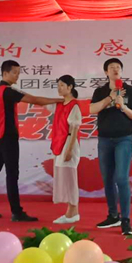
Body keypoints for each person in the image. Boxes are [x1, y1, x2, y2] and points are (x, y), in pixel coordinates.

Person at [0, 60, 62, 221]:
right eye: (14, 72)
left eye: (18, 72)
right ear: (5, 73)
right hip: (7, 139)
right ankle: (16, 212)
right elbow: (35, 100)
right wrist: (58, 100)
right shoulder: (7, 91)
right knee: (12, 175)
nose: (17, 75)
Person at [90, 58, 132, 235]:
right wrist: (110, 98)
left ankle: (125, 220)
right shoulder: (100, 91)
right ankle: (113, 215)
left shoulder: (130, 90)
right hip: (105, 139)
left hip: (123, 139)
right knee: (107, 178)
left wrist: (123, 106)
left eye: (118, 67)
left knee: (121, 178)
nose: (115, 70)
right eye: (112, 67)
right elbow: (92, 109)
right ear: (106, 72)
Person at [49, 75, 82, 224]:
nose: (59, 88)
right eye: (58, 86)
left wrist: (69, 150)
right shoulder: (61, 104)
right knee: (65, 177)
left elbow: (74, 129)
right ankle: (71, 212)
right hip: (60, 143)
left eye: (62, 85)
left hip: (69, 143)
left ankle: (72, 213)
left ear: (70, 87)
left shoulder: (74, 105)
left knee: (70, 178)